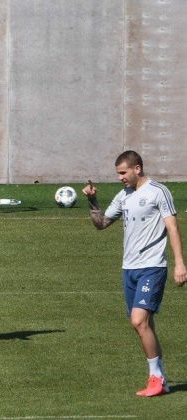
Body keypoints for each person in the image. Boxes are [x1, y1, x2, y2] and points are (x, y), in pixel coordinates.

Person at [82, 150, 186, 397]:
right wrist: (92, 202)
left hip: (152, 266)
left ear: (137, 168)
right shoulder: (124, 195)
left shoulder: (158, 192)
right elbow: (102, 224)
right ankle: (160, 379)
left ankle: (156, 378)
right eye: (118, 173)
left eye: (123, 172)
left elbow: (172, 227)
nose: (120, 178)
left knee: (139, 320)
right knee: (143, 325)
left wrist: (180, 264)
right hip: (129, 268)